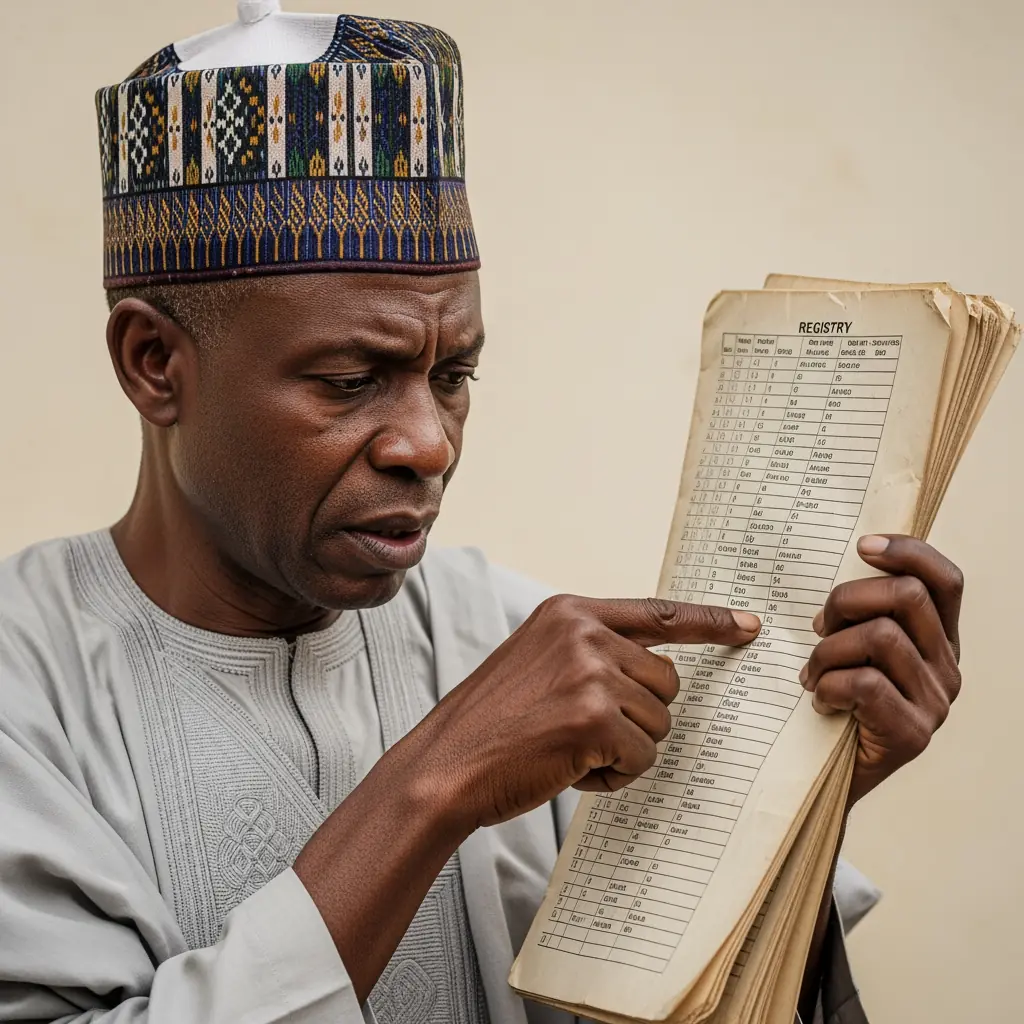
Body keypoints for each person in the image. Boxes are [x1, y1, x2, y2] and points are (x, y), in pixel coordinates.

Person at [0, 4, 964, 1024]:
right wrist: (435, 780)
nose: (429, 441)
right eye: (347, 378)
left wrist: (801, 802)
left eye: (451, 372)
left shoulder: (504, 638)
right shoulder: (26, 693)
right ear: (155, 364)